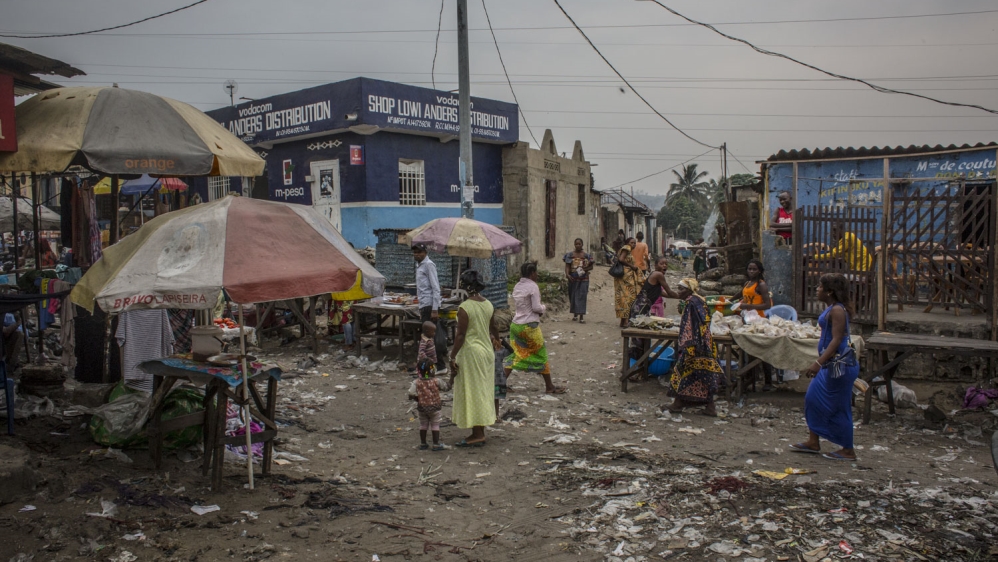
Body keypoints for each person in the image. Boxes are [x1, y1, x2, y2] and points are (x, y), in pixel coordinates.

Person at [790, 274, 859, 461]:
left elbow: (837, 340)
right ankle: (813, 441)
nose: (817, 289)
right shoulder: (832, 308)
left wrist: (818, 362)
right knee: (813, 398)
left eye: (820, 287)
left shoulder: (837, 310)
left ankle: (848, 449)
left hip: (838, 365)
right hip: (830, 364)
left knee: (839, 406)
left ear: (829, 291)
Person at [449, 270, 498, 447]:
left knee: (473, 392)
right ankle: (480, 429)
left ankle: (477, 434)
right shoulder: (488, 304)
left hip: (472, 353)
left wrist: (452, 355)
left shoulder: (465, 308)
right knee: (483, 391)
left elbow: (460, 335)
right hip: (486, 353)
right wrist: (497, 340)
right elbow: (493, 327)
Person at [505, 262, 567, 394]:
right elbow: (536, 308)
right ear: (532, 273)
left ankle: (499, 383)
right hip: (529, 327)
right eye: (536, 272)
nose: (537, 275)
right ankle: (549, 386)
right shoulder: (533, 286)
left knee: (515, 354)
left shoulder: (517, 286)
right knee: (541, 354)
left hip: (516, 325)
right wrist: (544, 307)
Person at [667, 278, 725, 417]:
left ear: (689, 289)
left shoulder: (691, 303)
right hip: (705, 343)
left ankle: (678, 404)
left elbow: (690, 325)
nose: (679, 292)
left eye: (681, 289)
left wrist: (686, 345)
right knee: (702, 374)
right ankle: (702, 406)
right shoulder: (699, 300)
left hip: (695, 345)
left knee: (683, 372)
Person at [736, 259, 775, 390]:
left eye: (754, 269)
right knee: (749, 349)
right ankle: (751, 377)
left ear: (759, 271)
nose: (751, 271)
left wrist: (749, 305)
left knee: (761, 351)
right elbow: (741, 295)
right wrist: (728, 301)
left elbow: (767, 304)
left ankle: (768, 382)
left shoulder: (761, 285)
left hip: (759, 320)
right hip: (747, 319)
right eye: (749, 269)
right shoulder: (748, 283)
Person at [408, 345, 451, 452]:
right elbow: (446, 388)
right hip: (435, 407)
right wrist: (452, 379)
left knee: (423, 424)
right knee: (435, 424)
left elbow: (411, 392)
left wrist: (415, 398)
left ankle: (423, 443)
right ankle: (436, 444)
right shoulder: (437, 381)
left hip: (422, 408)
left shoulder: (417, 382)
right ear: (433, 370)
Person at [413, 244, 447, 374]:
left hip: (429, 305)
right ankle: (433, 366)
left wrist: (434, 309)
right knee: (429, 338)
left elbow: (435, 287)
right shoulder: (420, 266)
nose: (417, 254)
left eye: (419, 252)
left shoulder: (429, 265)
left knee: (431, 338)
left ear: (425, 252)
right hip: (424, 305)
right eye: (415, 252)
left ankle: (440, 366)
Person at [614, 238, 642, 328]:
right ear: (627, 243)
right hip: (626, 278)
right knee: (629, 298)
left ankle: (623, 322)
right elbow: (621, 259)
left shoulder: (626, 250)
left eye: (635, 243)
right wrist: (632, 266)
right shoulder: (626, 248)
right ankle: (626, 321)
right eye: (632, 243)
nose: (633, 245)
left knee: (623, 298)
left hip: (623, 278)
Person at [564, 238, 594, 323]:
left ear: (582, 245)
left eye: (579, 244)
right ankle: (575, 314)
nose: (578, 245)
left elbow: (591, 267)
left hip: (583, 279)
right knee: (573, 295)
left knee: (582, 296)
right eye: (576, 244)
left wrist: (585, 269)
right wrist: (567, 274)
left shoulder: (586, 255)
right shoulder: (570, 255)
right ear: (574, 245)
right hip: (573, 278)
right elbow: (567, 266)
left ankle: (581, 316)